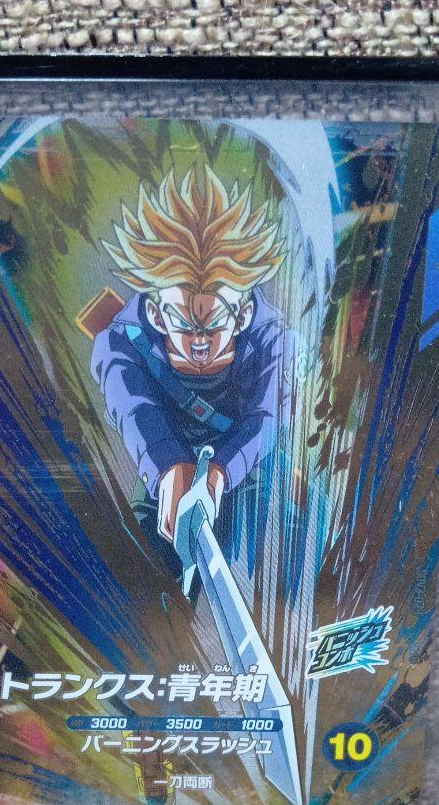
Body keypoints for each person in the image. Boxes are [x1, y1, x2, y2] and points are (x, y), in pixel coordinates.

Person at [90, 163, 292, 583]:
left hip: (250, 471)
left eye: (213, 325)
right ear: (155, 314)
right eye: (184, 324)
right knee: (141, 560)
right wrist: (167, 464)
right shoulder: (123, 340)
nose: (199, 342)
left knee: (278, 538)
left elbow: (266, 418)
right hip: (168, 471)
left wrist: (220, 473)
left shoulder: (273, 341)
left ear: (243, 315)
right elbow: (133, 403)